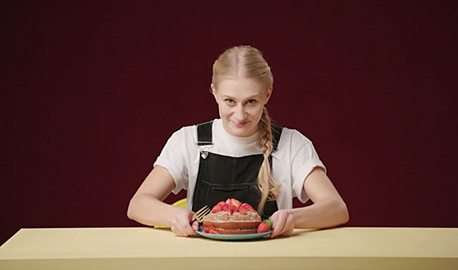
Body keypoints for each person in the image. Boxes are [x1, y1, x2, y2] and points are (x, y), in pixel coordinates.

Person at [127, 45, 349, 238]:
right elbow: (137, 204)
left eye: (251, 101)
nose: (240, 114)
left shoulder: (292, 144)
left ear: (268, 94)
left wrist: (292, 217)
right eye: (230, 101)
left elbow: (337, 208)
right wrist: (175, 215)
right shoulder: (189, 140)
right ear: (214, 92)